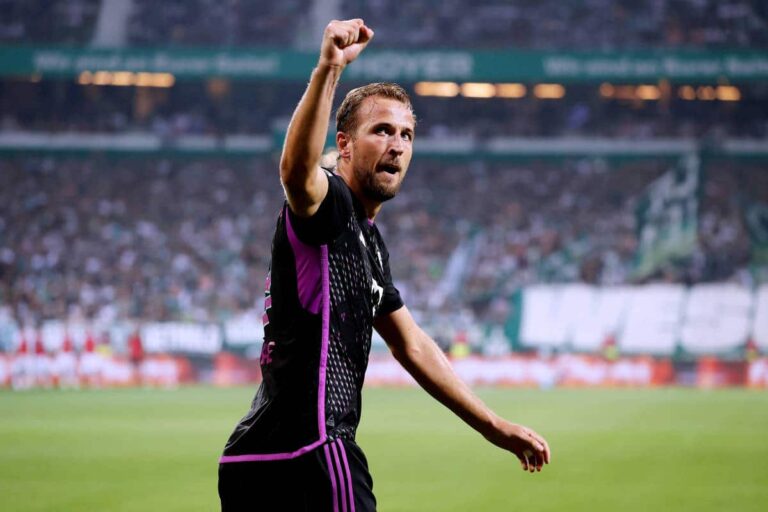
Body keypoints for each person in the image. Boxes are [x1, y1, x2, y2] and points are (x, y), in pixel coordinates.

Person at [218, 19, 551, 511]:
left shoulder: (367, 243)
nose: (397, 145)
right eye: (382, 131)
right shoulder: (330, 205)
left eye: (406, 135)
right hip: (314, 451)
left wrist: (492, 425)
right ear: (345, 144)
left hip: (254, 458)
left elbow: (411, 344)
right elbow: (295, 172)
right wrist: (329, 68)